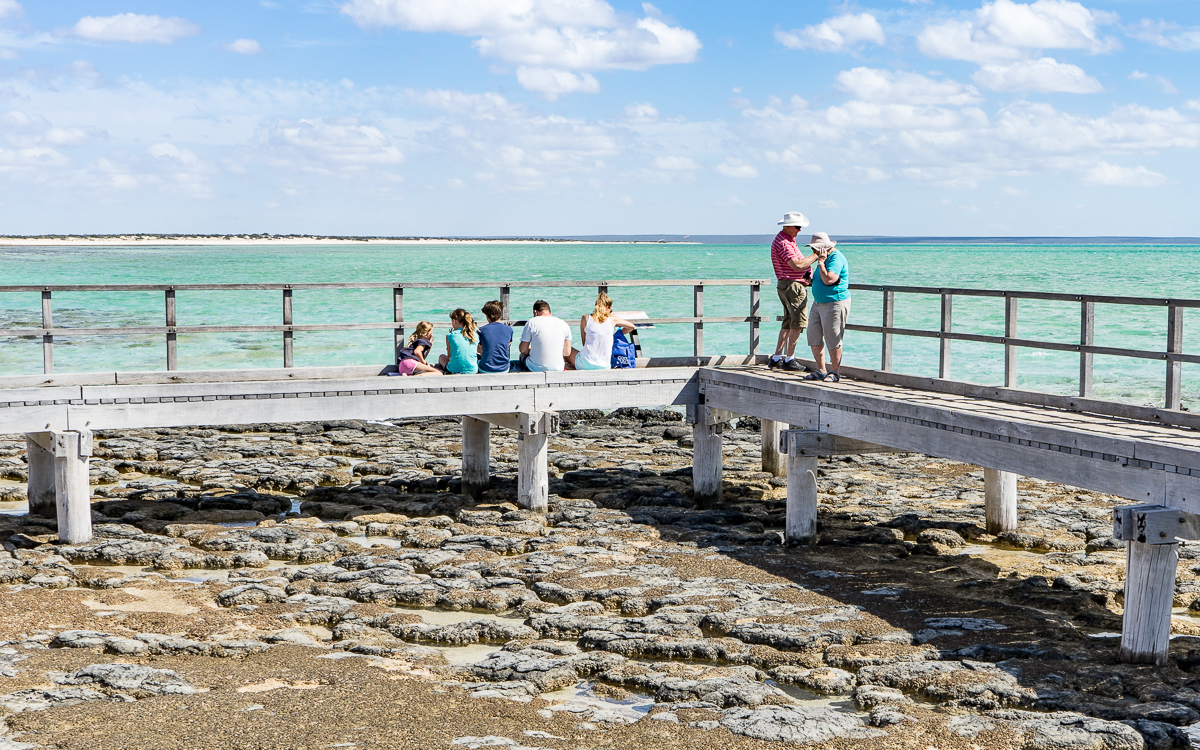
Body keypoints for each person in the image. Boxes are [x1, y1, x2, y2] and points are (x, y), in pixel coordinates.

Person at [769, 211, 821, 372]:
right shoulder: (784, 242)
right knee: (798, 322)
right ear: (789, 226)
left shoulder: (786, 240)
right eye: (797, 227)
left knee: (788, 321)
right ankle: (789, 358)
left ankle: (777, 357)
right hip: (792, 286)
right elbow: (797, 265)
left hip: (788, 284)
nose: (799, 231)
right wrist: (816, 255)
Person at [803, 232, 851, 383]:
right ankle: (820, 370)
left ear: (824, 248)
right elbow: (820, 280)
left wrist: (821, 263)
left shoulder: (835, 258)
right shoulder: (821, 259)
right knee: (814, 335)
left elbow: (830, 279)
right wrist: (810, 280)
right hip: (818, 302)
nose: (813, 252)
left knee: (833, 338)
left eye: (815, 249)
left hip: (834, 302)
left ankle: (835, 372)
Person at [569, 292, 637, 370]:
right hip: (605, 366)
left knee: (566, 348)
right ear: (608, 307)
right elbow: (631, 326)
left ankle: (564, 367)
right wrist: (614, 335)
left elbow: (584, 343)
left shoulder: (586, 318)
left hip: (585, 363)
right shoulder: (613, 319)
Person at [519, 300, 572, 372]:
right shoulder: (564, 324)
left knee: (522, 356)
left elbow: (523, 350)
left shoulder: (532, 322)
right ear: (550, 313)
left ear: (535, 312)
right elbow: (567, 352)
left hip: (535, 368)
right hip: (558, 368)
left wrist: (533, 350)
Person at [437, 308, 479, 375]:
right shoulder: (474, 335)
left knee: (441, 357)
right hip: (473, 370)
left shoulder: (450, 336)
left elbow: (449, 358)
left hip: (454, 370)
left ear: (454, 321)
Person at [477, 300, 514, 374]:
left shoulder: (481, 330)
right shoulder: (509, 329)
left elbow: (480, 349)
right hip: (504, 368)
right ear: (501, 315)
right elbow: (507, 346)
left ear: (487, 316)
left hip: (485, 369)